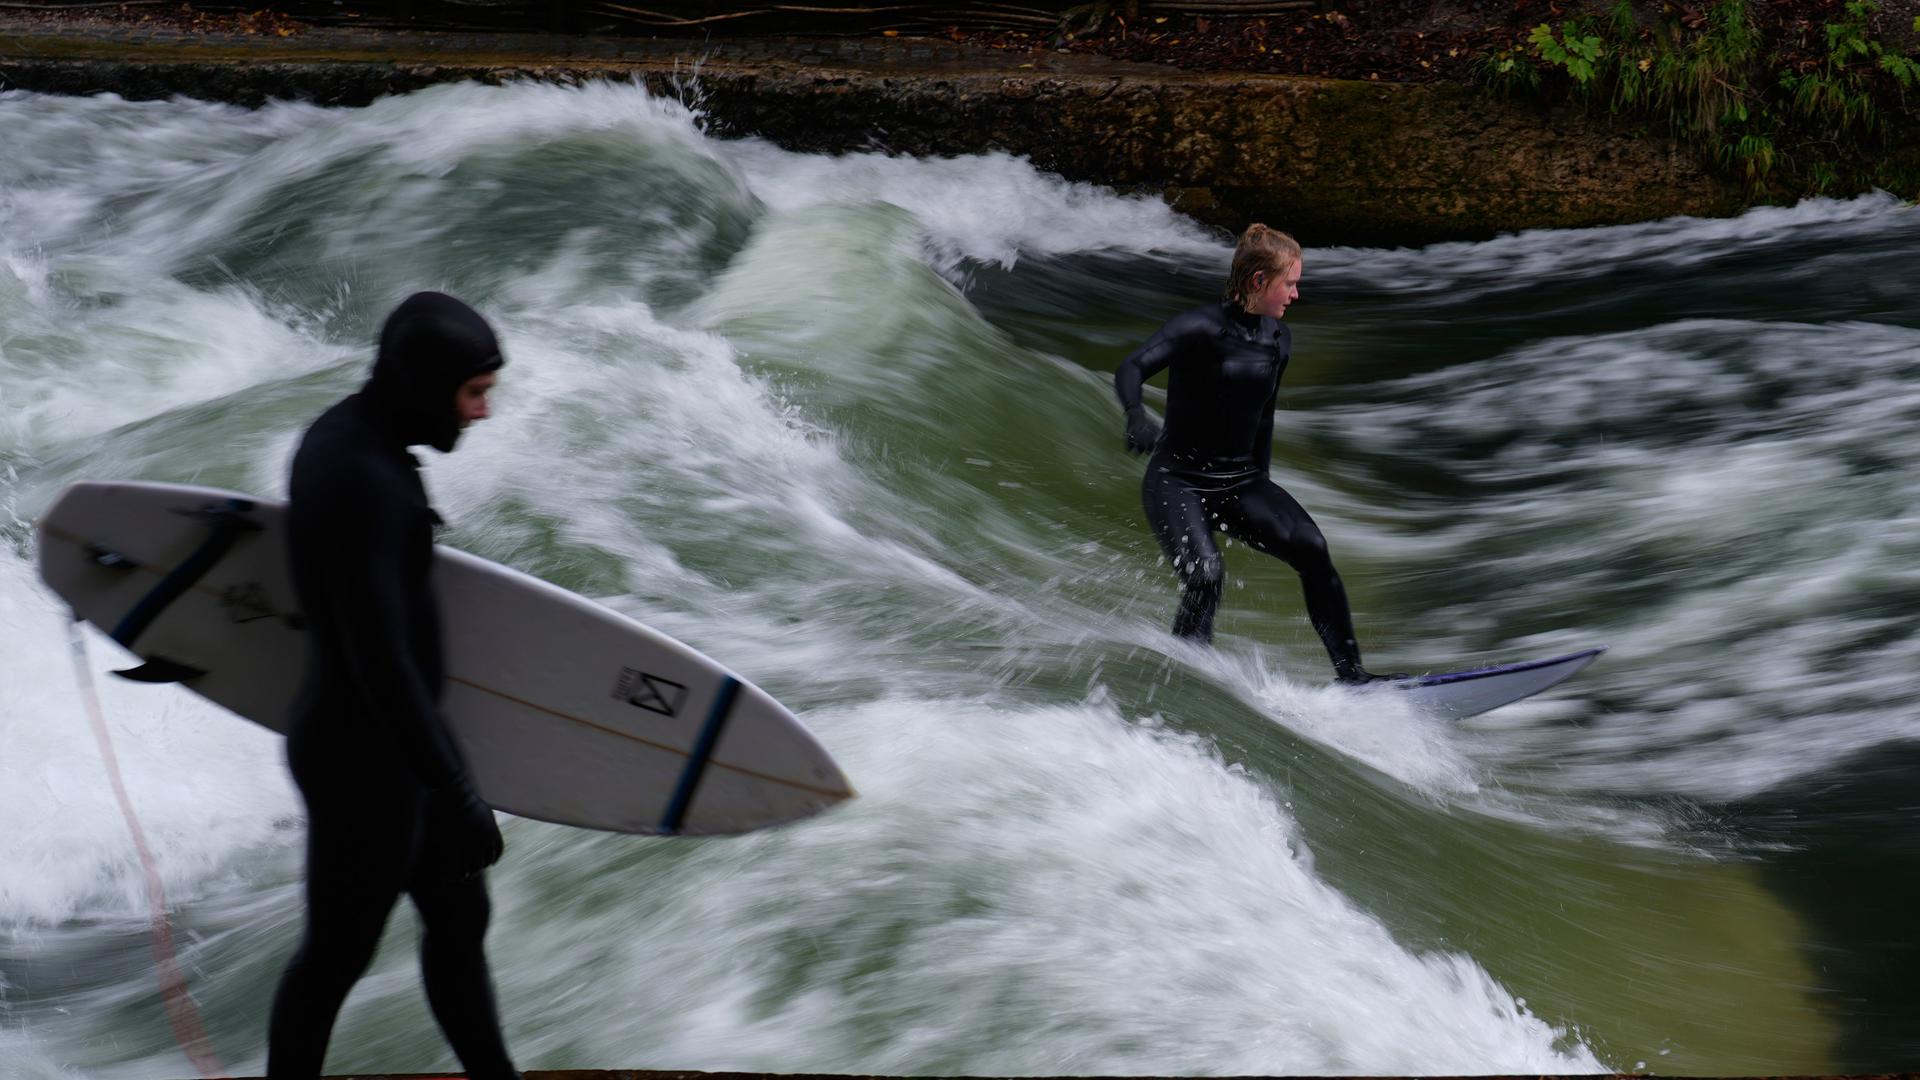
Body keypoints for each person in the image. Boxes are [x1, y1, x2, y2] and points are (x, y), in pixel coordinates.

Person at [268, 291, 518, 1079]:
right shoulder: (363, 480)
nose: (482, 412)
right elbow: (378, 658)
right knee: (336, 955)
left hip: (400, 742)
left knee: (460, 919)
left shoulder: (349, 437)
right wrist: (450, 786)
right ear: (424, 385)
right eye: (473, 392)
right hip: (361, 759)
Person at [1114, 225, 1397, 684]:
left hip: (1241, 482)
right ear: (1259, 281)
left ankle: (1353, 677)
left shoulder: (1278, 339)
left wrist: (1262, 488)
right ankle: (1186, 676)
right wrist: (1135, 415)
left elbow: (1263, 417)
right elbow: (1132, 366)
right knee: (1206, 576)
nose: (1296, 294)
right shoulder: (1197, 328)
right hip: (1178, 481)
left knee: (1312, 548)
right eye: (1290, 283)